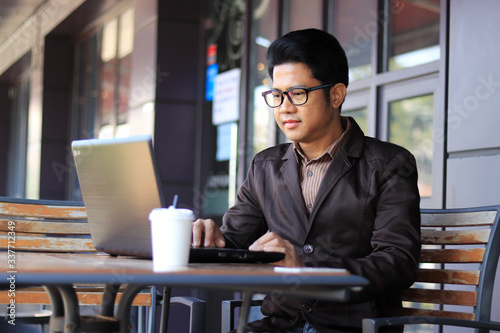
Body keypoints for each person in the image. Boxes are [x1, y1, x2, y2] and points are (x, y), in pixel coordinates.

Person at [192, 28, 421, 333]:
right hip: (280, 323)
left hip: (352, 326)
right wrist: (209, 239)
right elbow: (234, 242)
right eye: (276, 95)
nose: (284, 107)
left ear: (336, 94)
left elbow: (398, 262)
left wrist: (307, 270)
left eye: (297, 93)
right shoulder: (265, 166)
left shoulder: (389, 164)